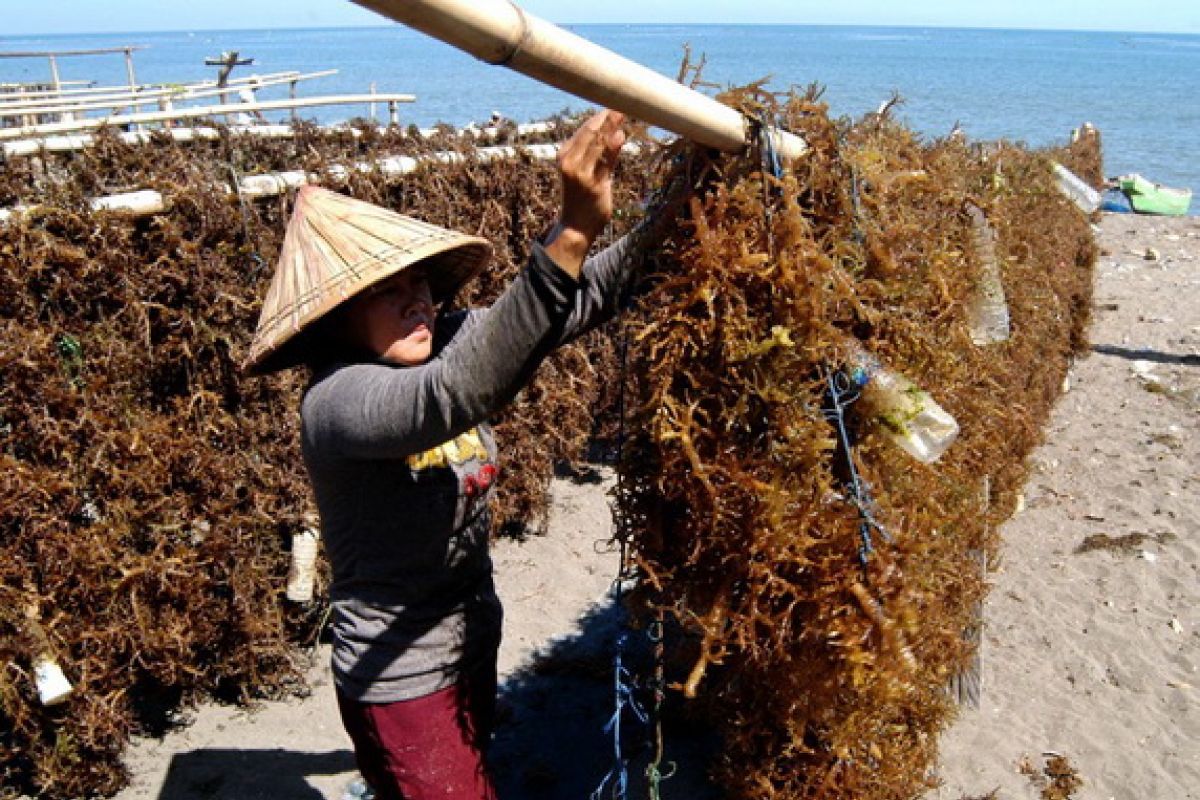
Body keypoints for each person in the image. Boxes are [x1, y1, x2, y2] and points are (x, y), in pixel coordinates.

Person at [245, 109, 671, 799]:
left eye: (418, 282)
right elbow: (457, 393)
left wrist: (679, 204)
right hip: (400, 676)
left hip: (472, 633)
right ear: (336, 318)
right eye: (384, 291)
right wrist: (570, 229)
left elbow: (575, 299)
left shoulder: (442, 338)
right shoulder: (337, 402)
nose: (414, 301)